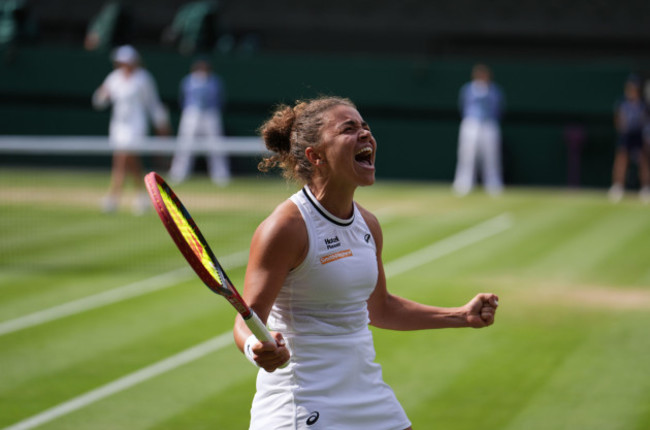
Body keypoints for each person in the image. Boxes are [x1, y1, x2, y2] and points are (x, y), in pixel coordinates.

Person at [233, 96, 499, 429]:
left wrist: (460, 315)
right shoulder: (286, 227)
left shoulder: (368, 224)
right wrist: (255, 346)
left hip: (367, 392)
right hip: (303, 403)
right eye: (349, 129)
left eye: (365, 127)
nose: (365, 135)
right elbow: (246, 318)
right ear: (316, 156)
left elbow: (380, 307)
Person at [92, 45, 171, 214]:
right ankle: (142, 195)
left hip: (137, 125)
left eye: (126, 61)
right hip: (118, 125)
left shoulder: (144, 78)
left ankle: (114, 196)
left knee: (122, 157)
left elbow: (152, 103)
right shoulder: (114, 78)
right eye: (121, 61)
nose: (123, 65)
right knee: (130, 160)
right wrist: (102, 95)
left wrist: (161, 123)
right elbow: (99, 101)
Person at [168, 58, 229, 185]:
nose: (202, 71)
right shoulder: (188, 80)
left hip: (211, 114)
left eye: (204, 68)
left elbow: (219, 99)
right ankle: (178, 174)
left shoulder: (215, 81)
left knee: (216, 145)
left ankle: (221, 176)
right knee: (185, 144)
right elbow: (183, 98)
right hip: (192, 113)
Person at [452, 63, 505, 197]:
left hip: (489, 124)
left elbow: (499, 108)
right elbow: (463, 105)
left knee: (491, 156)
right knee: (467, 154)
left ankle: (493, 184)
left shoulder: (494, 90)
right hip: (471, 123)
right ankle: (463, 183)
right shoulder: (468, 89)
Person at [608, 76, 650, 203]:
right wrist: (621, 127)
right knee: (621, 160)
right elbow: (618, 118)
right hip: (626, 135)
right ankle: (618, 187)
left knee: (643, 161)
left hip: (638, 134)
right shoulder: (622, 103)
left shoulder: (643, 104)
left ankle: (646, 188)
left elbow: (645, 120)